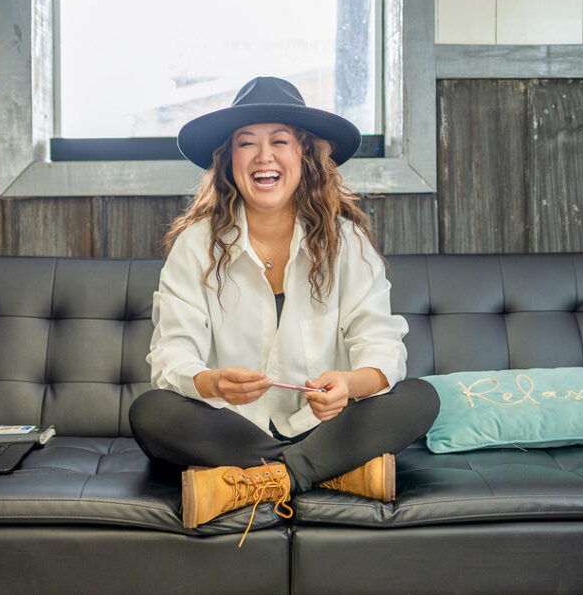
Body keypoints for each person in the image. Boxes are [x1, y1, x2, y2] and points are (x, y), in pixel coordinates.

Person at [129, 77, 439, 542]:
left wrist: (350, 384)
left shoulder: (346, 241)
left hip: (327, 426)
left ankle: (266, 479)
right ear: (228, 161)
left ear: (306, 157)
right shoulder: (196, 246)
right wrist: (211, 382)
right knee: (150, 412)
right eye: (246, 143)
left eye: (280, 142)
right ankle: (335, 473)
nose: (263, 156)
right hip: (234, 432)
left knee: (420, 397)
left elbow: (381, 345)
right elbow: (172, 355)